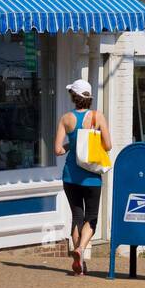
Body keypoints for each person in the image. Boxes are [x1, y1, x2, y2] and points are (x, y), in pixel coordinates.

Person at [54, 78, 111, 275]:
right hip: (92, 176)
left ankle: (79, 266)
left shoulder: (66, 119)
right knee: (91, 217)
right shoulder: (97, 117)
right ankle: (81, 249)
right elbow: (108, 145)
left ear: (74, 97)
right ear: (89, 98)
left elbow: (58, 150)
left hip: (70, 176)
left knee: (77, 216)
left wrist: (73, 145)